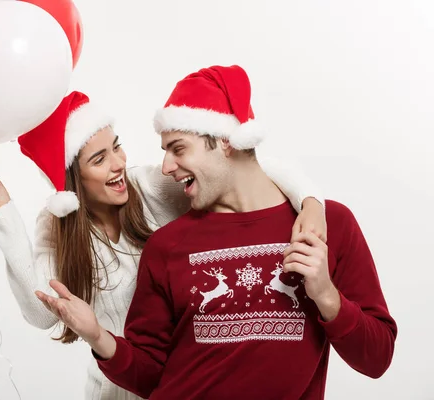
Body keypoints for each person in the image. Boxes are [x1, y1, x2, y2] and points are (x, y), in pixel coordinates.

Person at [35, 66, 398, 400]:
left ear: (225, 141)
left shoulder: (326, 226)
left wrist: (328, 298)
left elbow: (377, 358)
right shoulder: (167, 246)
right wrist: (97, 336)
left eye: (178, 149)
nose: (166, 166)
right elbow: (151, 376)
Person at [0, 90, 328, 400]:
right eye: (99, 160)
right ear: (72, 180)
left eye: (117, 147)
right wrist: (4, 213)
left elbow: (244, 171)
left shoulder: (150, 186)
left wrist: (310, 200)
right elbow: (40, 312)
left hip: (187, 384)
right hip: (115, 389)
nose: (118, 165)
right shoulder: (57, 226)